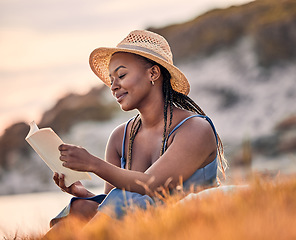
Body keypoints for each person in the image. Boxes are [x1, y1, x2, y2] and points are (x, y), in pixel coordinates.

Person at [47, 30, 227, 232]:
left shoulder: (194, 128)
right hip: (141, 225)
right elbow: (111, 202)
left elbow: (151, 185)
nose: (113, 86)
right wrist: (81, 192)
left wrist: (92, 163)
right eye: (111, 79)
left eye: (121, 75)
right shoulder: (120, 137)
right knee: (80, 206)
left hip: (190, 224)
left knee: (124, 199)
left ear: (153, 73)